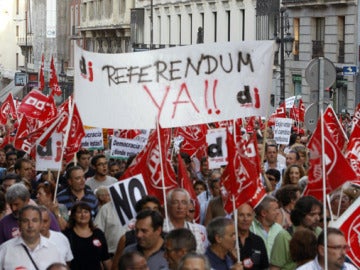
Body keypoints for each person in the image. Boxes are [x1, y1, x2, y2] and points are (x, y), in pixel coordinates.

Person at [0, 205, 63, 269]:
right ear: (19, 224)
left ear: (41, 224)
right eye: (25, 221)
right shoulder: (5, 250)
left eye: (35, 220)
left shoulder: (54, 249)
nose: (30, 225)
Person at [270, 196, 323, 270]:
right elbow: (275, 267)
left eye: (319, 214)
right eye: (312, 215)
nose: (317, 218)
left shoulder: (319, 232)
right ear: (300, 215)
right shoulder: (284, 236)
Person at [64, 201, 112, 270]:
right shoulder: (67, 234)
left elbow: (105, 258)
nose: (83, 215)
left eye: (86, 212)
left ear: (90, 215)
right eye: (79, 212)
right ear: (74, 216)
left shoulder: (98, 233)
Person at [164, 188, 207, 253]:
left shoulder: (195, 229)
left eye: (184, 203)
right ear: (169, 206)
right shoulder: (162, 227)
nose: (180, 207)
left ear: (187, 206)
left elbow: (200, 253)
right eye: (175, 202)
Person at [236, 203, 269, 269]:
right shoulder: (229, 241)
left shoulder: (258, 241)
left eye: (249, 215)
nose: (245, 219)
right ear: (234, 217)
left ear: (252, 218)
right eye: (241, 215)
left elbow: (264, 267)